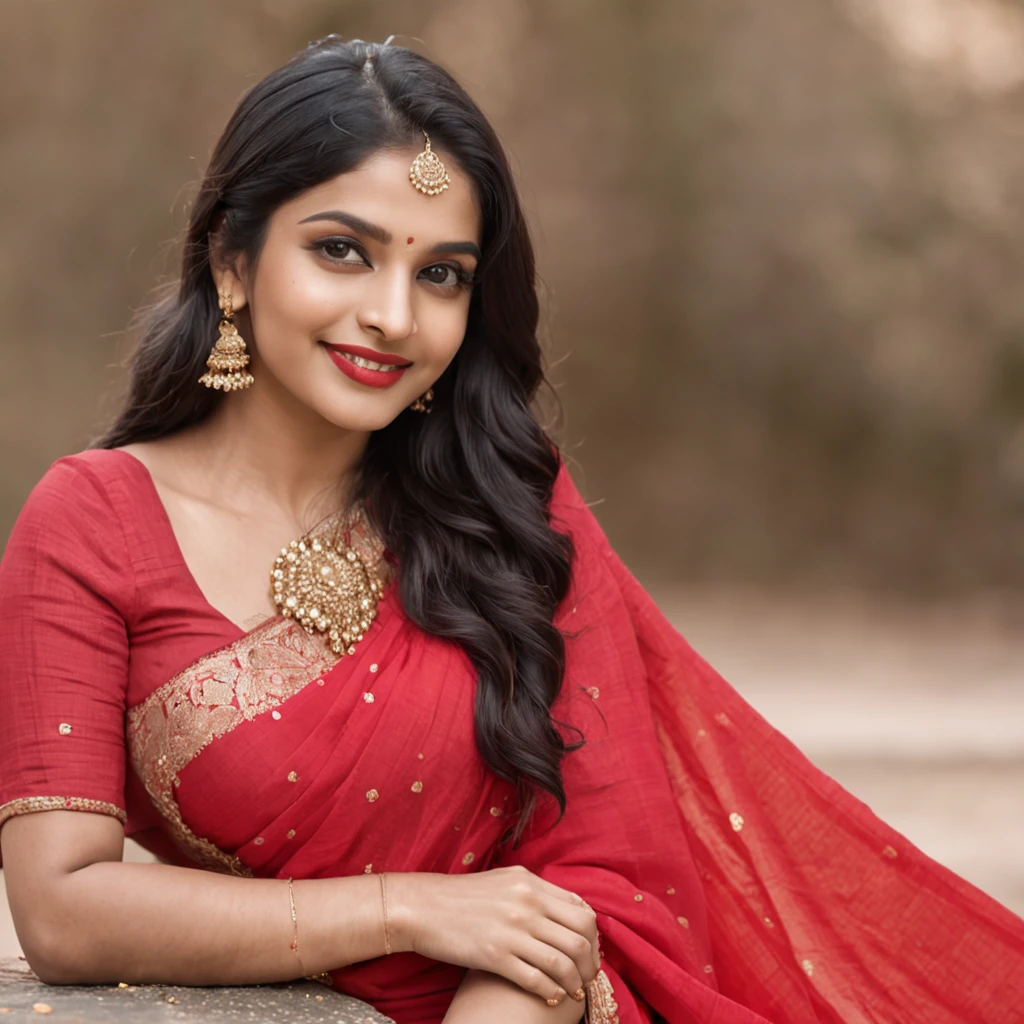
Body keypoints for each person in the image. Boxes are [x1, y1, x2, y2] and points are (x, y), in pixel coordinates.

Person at [0, 36, 1020, 1024]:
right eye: (341, 252)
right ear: (232, 261)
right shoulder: (90, 524)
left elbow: (609, 887)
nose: (393, 316)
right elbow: (65, 907)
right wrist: (409, 906)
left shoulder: (506, 511)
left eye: (441, 273)